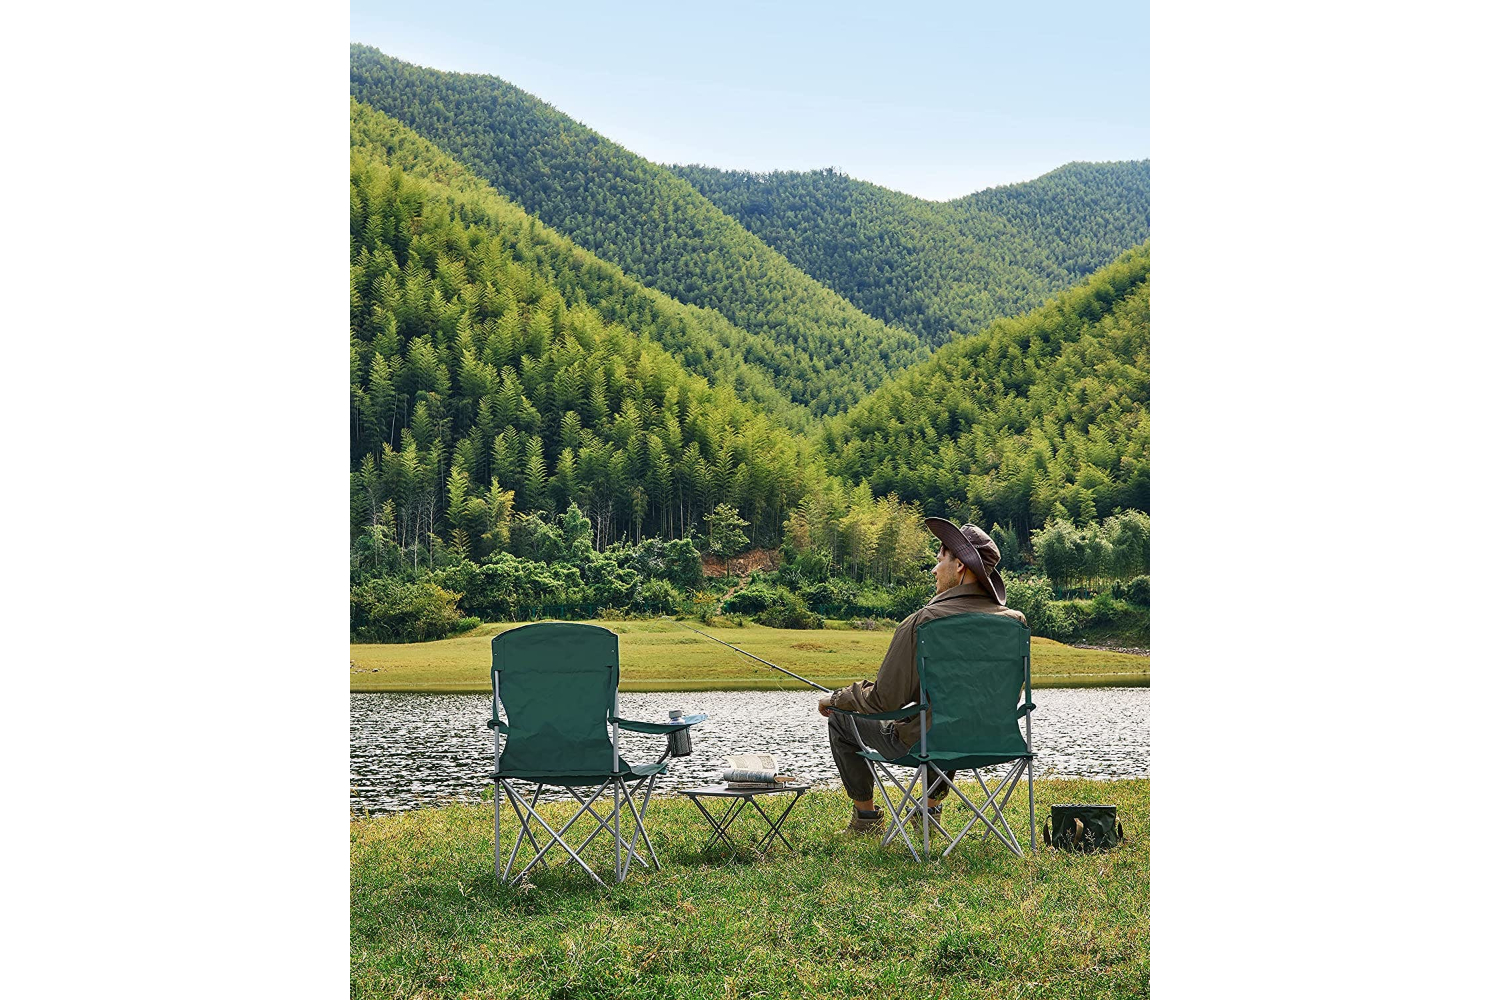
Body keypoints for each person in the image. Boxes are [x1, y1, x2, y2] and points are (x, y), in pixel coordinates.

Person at [818, 517, 1026, 834]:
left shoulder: (923, 622)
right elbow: (1009, 693)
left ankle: (866, 820)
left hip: (927, 744)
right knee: (949, 717)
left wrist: (838, 699)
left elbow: (884, 698)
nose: (934, 569)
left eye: (939, 559)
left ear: (959, 566)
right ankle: (928, 811)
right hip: (992, 741)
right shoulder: (1015, 623)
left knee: (841, 717)